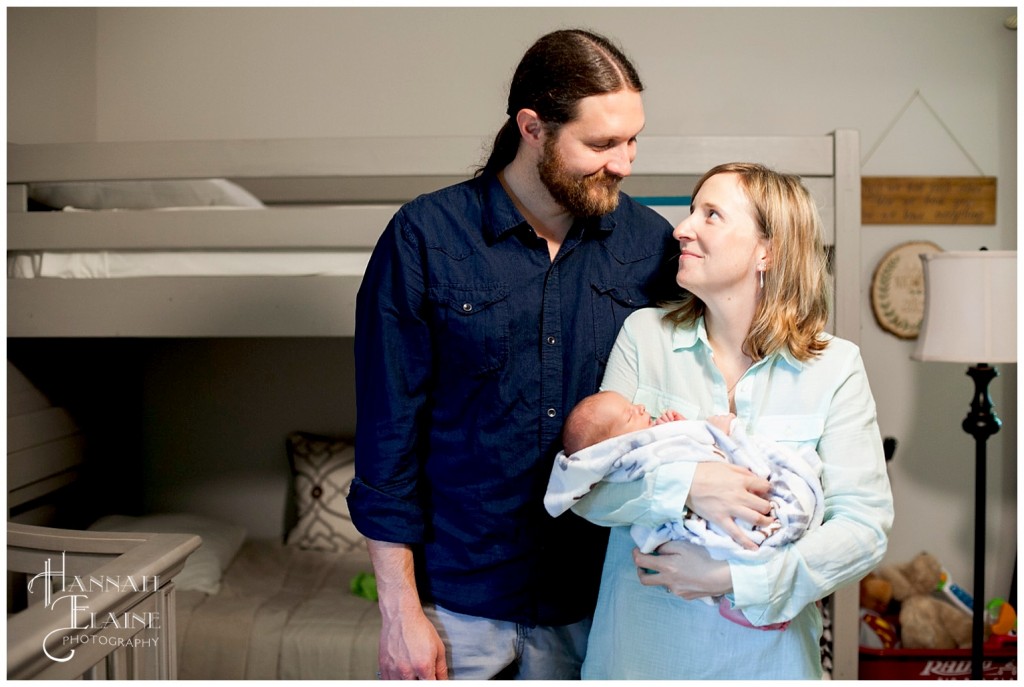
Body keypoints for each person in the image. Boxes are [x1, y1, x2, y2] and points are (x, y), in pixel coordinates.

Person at [347, 28, 678, 680]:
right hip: (456, 603)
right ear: (532, 127)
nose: (626, 162)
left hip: (601, 600)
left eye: (634, 138)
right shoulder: (424, 238)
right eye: (602, 143)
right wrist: (398, 610)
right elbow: (388, 437)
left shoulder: (650, 245)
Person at [569, 163, 894, 680]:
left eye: (711, 214)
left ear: (768, 250)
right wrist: (689, 485)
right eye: (692, 210)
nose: (682, 228)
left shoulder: (836, 366)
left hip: (771, 665)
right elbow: (586, 487)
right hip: (641, 656)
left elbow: (864, 527)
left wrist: (735, 579)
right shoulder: (644, 337)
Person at [547, 388, 824, 633]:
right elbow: (682, 447)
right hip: (698, 523)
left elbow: (681, 441)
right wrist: (708, 439)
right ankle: (749, 596)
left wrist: (677, 427)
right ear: (615, 444)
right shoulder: (630, 458)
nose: (641, 407)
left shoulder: (653, 436)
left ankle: (753, 588)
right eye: (630, 415)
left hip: (730, 496)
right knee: (731, 536)